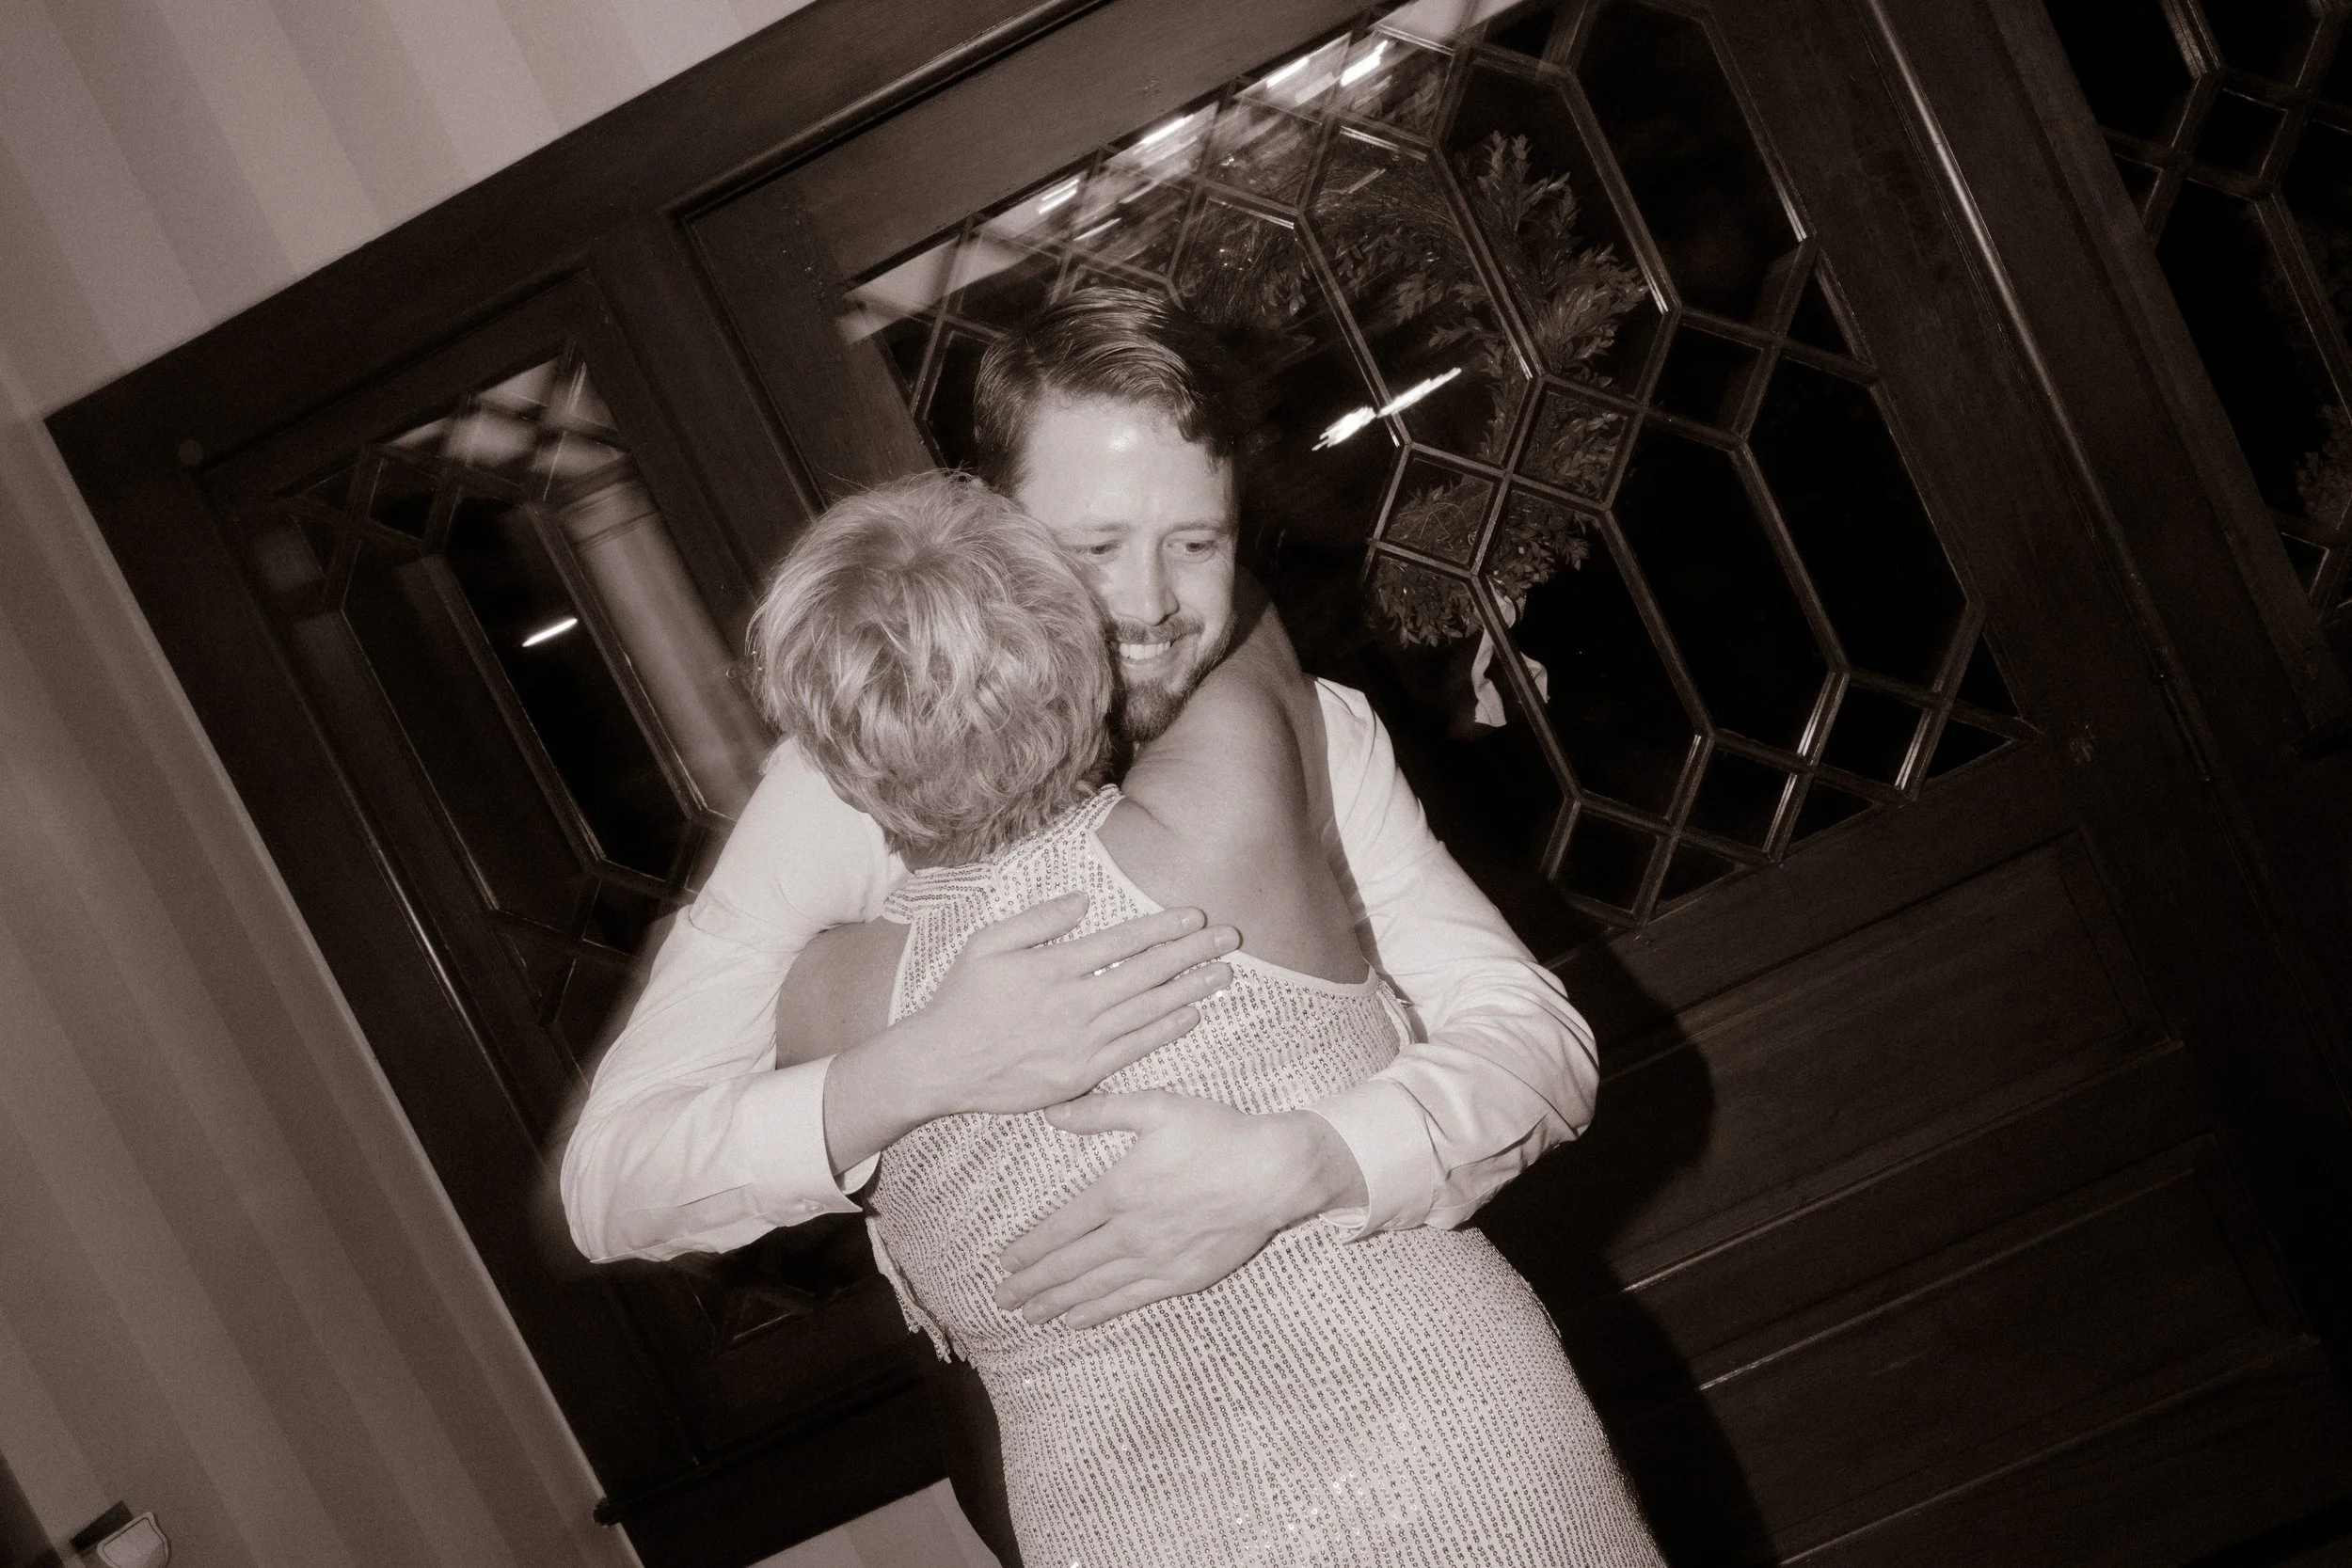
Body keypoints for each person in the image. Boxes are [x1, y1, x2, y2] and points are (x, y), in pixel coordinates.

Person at [559, 289, 1602, 1559]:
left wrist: (1318, 1157)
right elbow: (612, 1187)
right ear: (996, 531)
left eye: (1198, 544)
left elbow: (1535, 1041)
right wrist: (921, 1065)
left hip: (1442, 1425)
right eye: (1095, 545)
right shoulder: (833, 788)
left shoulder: (1309, 726)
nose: (1153, 605)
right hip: (1098, 1466)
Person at [756, 468, 1661, 1566]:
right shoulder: (1217, 821)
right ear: (1083, 660)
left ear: (835, 771)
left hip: (1132, 1529)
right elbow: (1242, 614)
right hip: (1455, 1447)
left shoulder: (816, 1003)